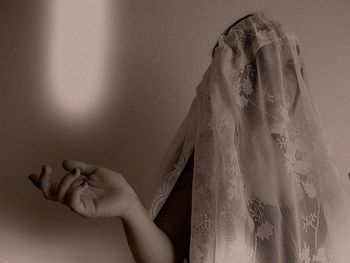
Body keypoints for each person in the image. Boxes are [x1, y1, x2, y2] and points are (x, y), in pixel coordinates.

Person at [28, 11, 350, 263]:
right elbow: (168, 257)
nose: (276, 83)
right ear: (234, 82)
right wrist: (128, 206)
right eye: (258, 69)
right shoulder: (213, 163)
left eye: (287, 69)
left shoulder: (314, 164)